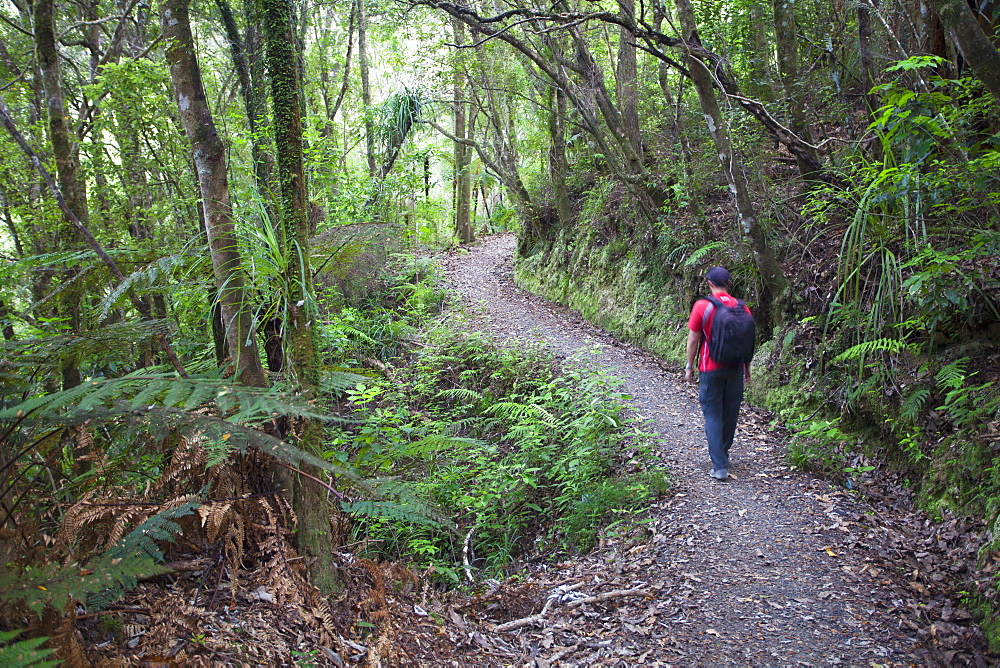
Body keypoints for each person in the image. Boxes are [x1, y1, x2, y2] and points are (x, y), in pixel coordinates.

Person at [684, 267, 752, 481]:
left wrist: (689, 366)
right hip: (735, 369)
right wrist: (747, 367)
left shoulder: (703, 306)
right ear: (729, 283)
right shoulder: (742, 308)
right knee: (730, 414)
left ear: (709, 283)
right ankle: (723, 454)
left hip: (710, 369)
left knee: (713, 414)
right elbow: (747, 340)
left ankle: (719, 465)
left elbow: (693, 339)